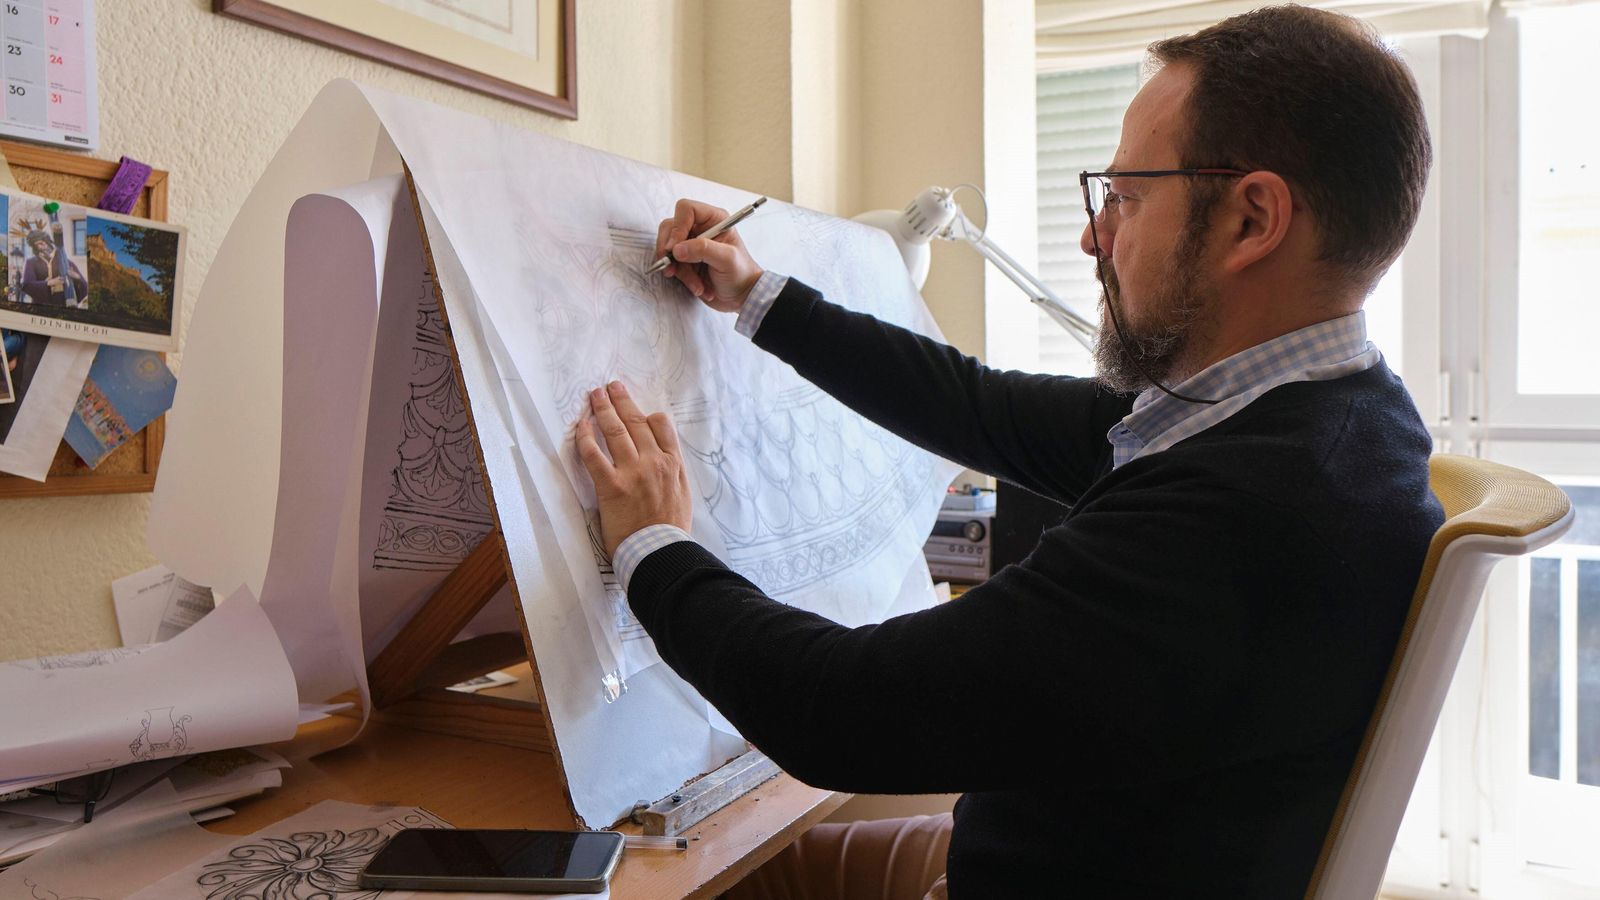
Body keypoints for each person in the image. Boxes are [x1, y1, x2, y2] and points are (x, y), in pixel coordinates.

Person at [574, 6, 1443, 897]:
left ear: (1251, 220)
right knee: (714, 864)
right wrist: (759, 295)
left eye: (1126, 197)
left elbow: (834, 712)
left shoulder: (1246, 514)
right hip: (1079, 844)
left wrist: (654, 546)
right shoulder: (1328, 416)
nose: (1093, 235)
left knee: (678, 882)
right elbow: (982, 408)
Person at [19, 229, 87, 307]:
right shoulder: (30, 262)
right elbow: (26, 285)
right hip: (41, 305)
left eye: (41, 243)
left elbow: (84, 287)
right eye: (36, 245)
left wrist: (77, 277)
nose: (40, 247)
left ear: (48, 241)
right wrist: (49, 283)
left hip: (63, 304)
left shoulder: (66, 262)